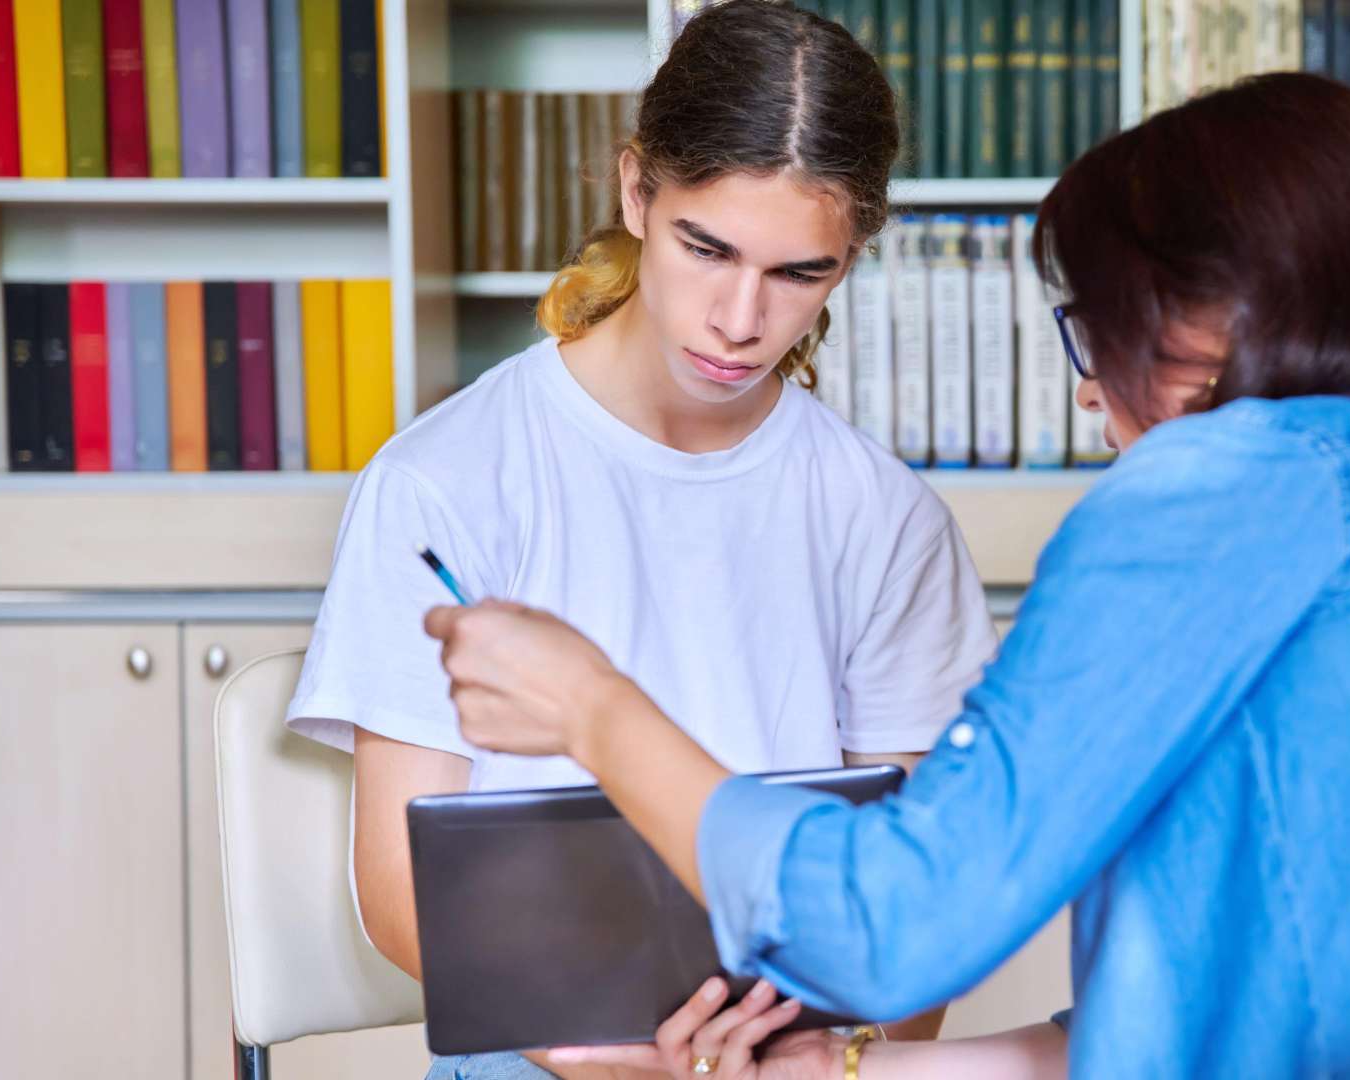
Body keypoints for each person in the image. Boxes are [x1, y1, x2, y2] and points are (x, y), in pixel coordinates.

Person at [423, 73, 1350, 1078]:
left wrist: (595, 706)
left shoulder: (1220, 488)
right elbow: (1195, 1028)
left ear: (1219, 313)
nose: (1086, 389)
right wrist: (843, 1067)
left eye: (1098, 325)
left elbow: (886, 928)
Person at [283, 4, 997, 1078]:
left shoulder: (885, 520)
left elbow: (913, 935)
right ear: (635, 192)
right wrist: (589, 1050)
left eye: (800, 273)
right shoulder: (446, 478)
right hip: (533, 1051)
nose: (739, 318)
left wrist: (807, 1055)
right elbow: (399, 890)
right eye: (704, 247)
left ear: (847, 263)